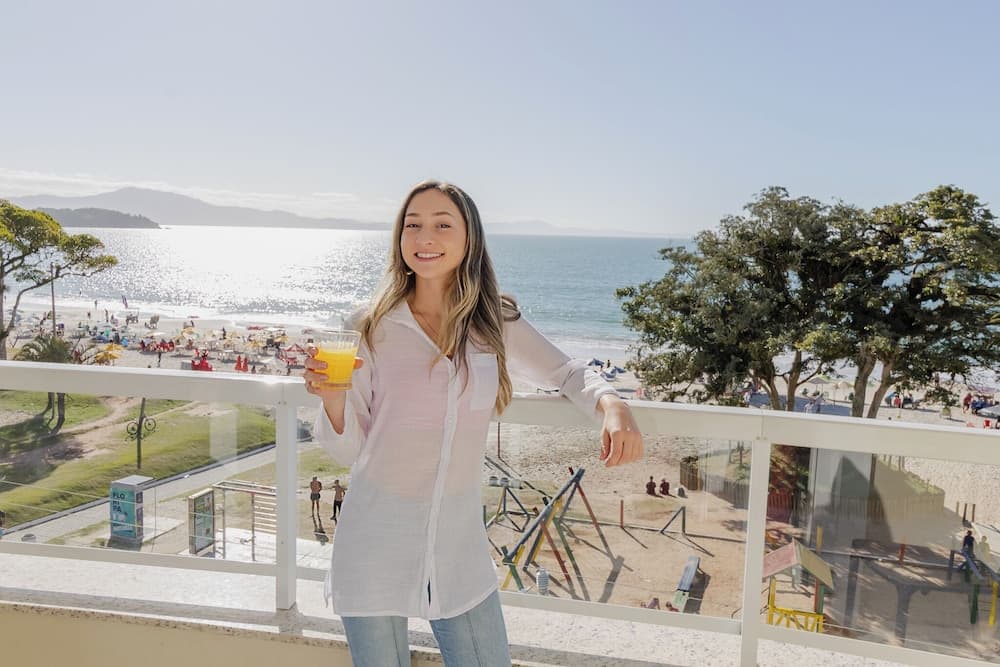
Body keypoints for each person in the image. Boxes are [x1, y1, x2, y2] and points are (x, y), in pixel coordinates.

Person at [304, 180, 643, 667]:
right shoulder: (371, 324)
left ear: (469, 239)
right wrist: (333, 398)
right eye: (413, 225)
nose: (425, 237)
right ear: (399, 237)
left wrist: (613, 404)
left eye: (443, 224)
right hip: (374, 539)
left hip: (458, 547)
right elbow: (349, 449)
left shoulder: (494, 322)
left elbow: (567, 372)